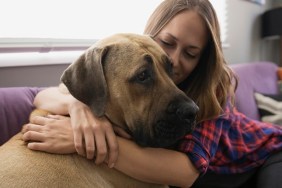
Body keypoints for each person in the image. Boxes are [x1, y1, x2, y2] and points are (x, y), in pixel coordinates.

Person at [22, 0, 282, 187]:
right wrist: (77, 107)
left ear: (202, 59)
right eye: (167, 43)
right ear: (151, 34)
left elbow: (186, 173)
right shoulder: (130, 61)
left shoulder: (213, 90)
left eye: (190, 53)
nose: (174, 59)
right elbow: (40, 94)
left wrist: (81, 143)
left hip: (266, 153)